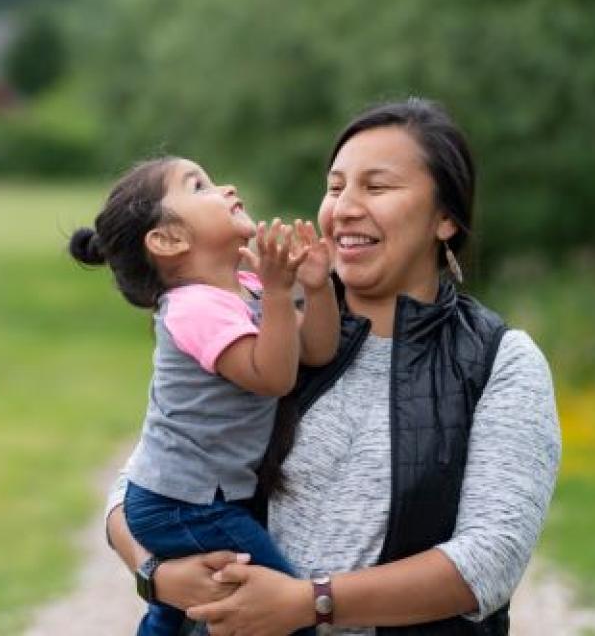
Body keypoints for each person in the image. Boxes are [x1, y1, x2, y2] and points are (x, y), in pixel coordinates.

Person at [104, 98, 562, 635]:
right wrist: (156, 575)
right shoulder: (273, 327)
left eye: (377, 186)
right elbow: (140, 482)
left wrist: (309, 602)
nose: (344, 206)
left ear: (444, 218)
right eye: (337, 185)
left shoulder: (499, 360)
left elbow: (489, 561)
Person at [69, 157, 339, 635]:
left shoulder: (248, 289)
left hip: (194, 497)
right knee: (284, 605)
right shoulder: (193, 308)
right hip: (183, 503)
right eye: (199, 186)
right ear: (168, 239)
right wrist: (280, 295)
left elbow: (315, 351)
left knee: (177, 611)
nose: (226, 186)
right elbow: (272, 377)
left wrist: (314, 290)